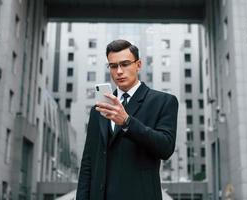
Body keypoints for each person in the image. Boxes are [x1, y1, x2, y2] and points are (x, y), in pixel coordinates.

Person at [76, 39, 179, 200]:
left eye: (124, 64)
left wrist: (127, 122)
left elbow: (166, 148)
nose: (119, 71)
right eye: (113, 66)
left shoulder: (164, 102)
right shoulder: (99, 109)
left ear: (138, 65)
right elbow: (88, 161)